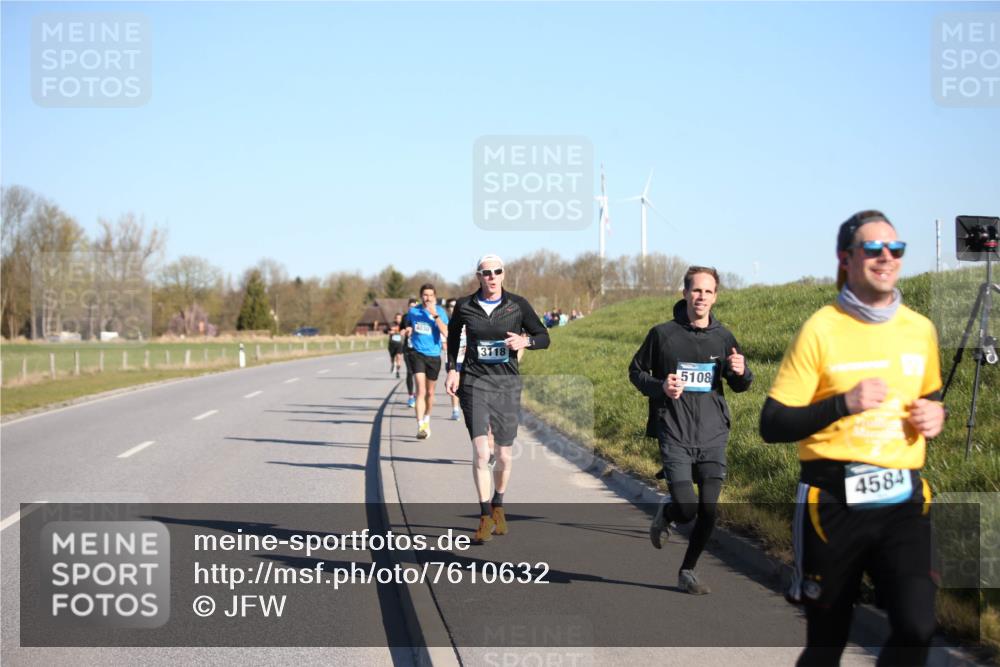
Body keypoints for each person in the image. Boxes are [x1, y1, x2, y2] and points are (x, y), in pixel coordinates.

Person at [759, 211, 944, 666]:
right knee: (827, 643)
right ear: (846, 258)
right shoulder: (821, 328)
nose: (887, 257)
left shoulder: (920, 329)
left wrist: (935, 413)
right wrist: (843, 403)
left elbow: (930, 393)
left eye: (895, 249)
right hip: (832, 501)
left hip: (903, 498)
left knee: (917, 627)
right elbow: (773, 423)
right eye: (873, 249)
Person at [629, 266, 753, 595]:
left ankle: (688, 570)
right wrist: (660, 386)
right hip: (675, 432)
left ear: (715, 297)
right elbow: (636, 372)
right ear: (685, 293)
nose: (701, 297)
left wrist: (741, 372)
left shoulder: (723, 337)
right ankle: (667, 513)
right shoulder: (662, 334)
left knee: (709, 511)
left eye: (708, 292)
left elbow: (740, 382)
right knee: (687, 509)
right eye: (696, 290)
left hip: (713, 434)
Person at [445, 254, 550, 543]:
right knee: (481, 453)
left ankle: (499, 505)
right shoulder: (465, 306)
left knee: (503, 454)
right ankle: (484, 517)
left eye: (496, 271)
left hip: (506, 384)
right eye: (486, 272)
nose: (491, 276)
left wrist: (525, 341)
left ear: (504, 274)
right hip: (474, 383)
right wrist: (452, 369)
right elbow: (454, 338)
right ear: (478, 276)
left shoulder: (518, 305)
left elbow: (544, 336)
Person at [407, 285, 449, 439]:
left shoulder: (440, 312)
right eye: (425, 295)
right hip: (417, 354)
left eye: (431, 295)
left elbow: (446, 332)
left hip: (433, 355)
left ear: (435, 297)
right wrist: (407, 330)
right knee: (421, 390)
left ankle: (426, 418)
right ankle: (420, 426)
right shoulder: (413, 312)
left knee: (430, 393)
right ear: (420, 296)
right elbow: (407, 324)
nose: (428, 298)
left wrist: (435, 316)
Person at [445, 299, 464, 421]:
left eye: (455, 306)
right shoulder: (446, 320)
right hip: (453, 356)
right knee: (455, 384)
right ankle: (455, 409)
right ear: (448, 308)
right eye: (451, 306)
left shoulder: (466, 317)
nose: (453, 308)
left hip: (467, 355)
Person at [399, 298, 418, 408]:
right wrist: (402, 332)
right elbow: (401, 329)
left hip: (420, 348)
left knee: (420, 373)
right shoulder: (405, 317)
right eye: (410, 306)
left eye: (414, 306)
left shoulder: (421, 316)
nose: (412, 308)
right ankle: (411, 396)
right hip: (408, 348)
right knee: (410, 372)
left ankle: (418, 394)